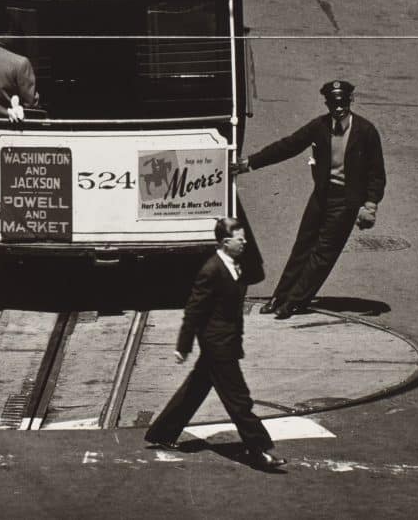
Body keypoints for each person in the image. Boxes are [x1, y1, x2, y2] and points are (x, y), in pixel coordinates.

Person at [144, 217, 286, 471]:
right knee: (239, 401)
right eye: (240, 239)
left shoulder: (235, 265)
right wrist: (183, 345)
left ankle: (163, 432)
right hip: (218, 345)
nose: (244, 242)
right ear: (225, 242)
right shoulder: (211, 270)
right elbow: (194, 310)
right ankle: (259, 450)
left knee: (196, 388)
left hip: (226, 341)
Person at [235, 81, 385, 321]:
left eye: (343, 103)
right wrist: (250, 163)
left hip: (346, 201)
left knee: (323, 253)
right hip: (322, 196)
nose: (339, 109)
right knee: (302, 246)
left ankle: (294, 302)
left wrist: (370, 205)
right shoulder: (320, 126)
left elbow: (377, 174)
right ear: (327, 104)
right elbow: (288, 146)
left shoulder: (366, 131)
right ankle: (279, 297)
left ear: (350, 102)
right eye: (334, 104)